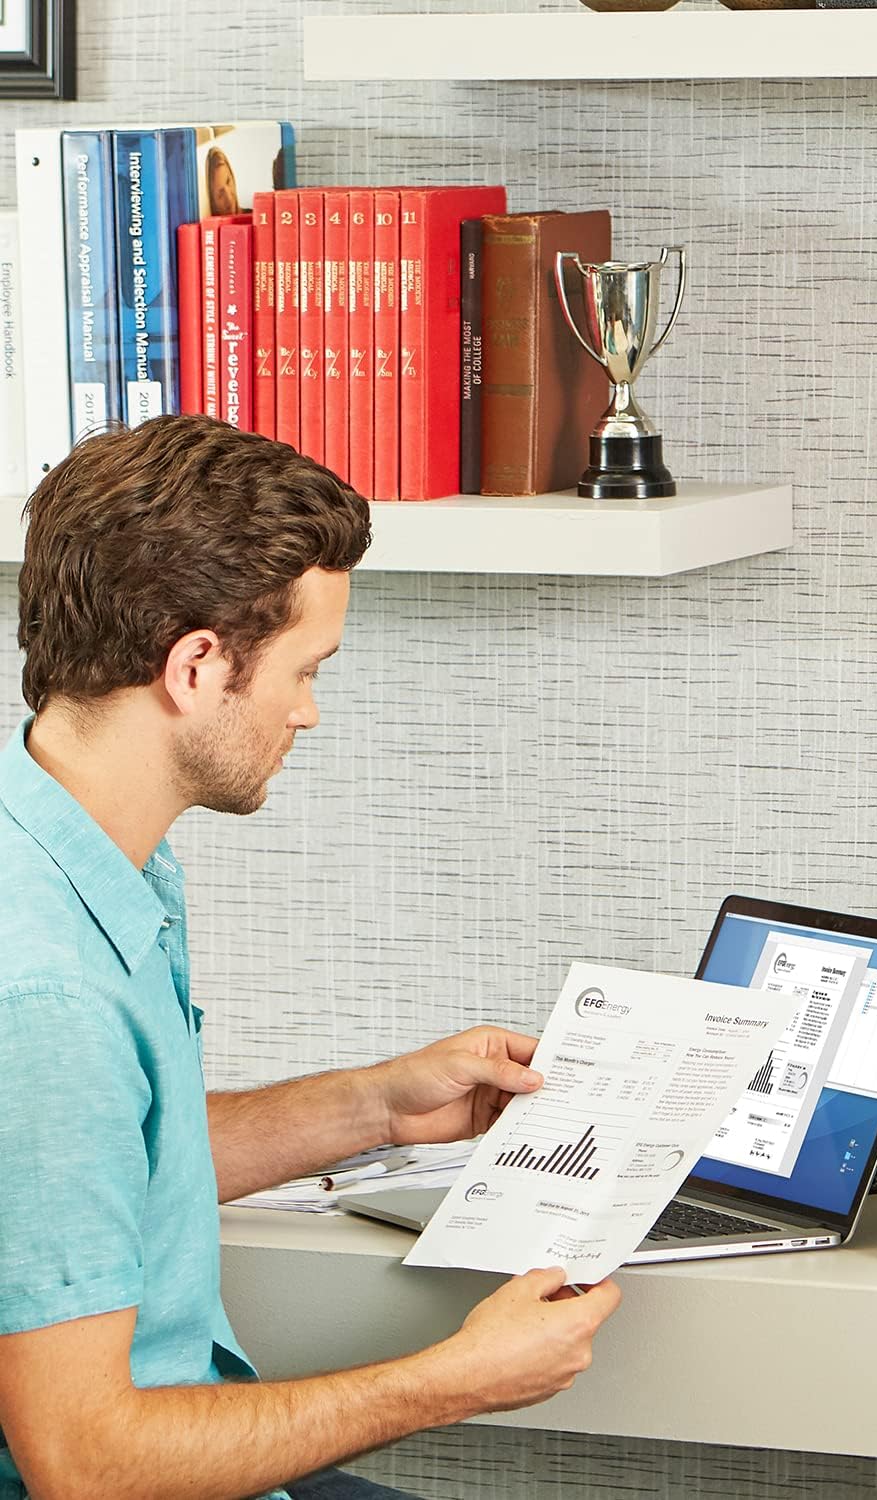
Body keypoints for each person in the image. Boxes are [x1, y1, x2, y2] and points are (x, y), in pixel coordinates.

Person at [0, 416, 621, 1500]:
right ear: (197, 666)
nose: (308, 712)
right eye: (303, 669)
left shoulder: (69, 851)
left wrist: (377, 1105)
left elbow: (90, 1162)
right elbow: (85, 1465)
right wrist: (456, 1380)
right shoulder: (46, 991)